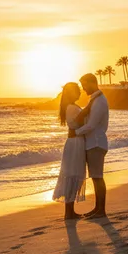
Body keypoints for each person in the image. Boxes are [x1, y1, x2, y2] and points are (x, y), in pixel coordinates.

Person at [76, 72, 110, 219]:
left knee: (97, 177)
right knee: (96, 178)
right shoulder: (95, 99)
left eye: (84, 85)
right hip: (93, 143)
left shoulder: (100, 101)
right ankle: (97, 209)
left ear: (91, 83)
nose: (83, 88)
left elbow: (91, 125)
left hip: (96, 143)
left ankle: (101, 211)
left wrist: (76, 132)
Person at [52, 82, 87, 220]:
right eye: (77, 90)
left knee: (73, 174)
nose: (79, 92)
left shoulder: (70, 106)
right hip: (76, 143)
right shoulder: (72, 107)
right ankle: (69, 212)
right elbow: (83, 123)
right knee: (73, 174)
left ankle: (70, 211)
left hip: (75, 141)